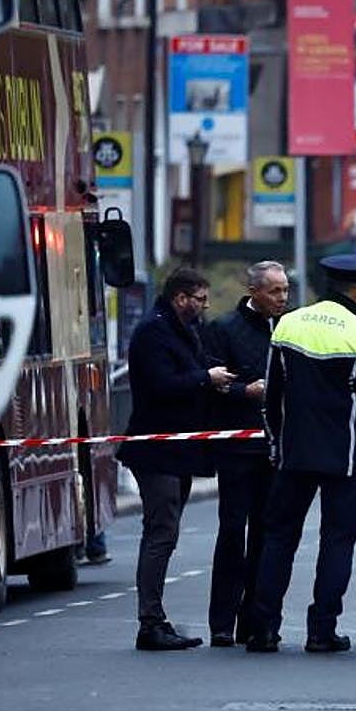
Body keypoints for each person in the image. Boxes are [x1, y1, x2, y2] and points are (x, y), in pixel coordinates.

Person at [246, 254, 356, 654]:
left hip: (294, 455)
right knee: (337, 542)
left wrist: (277, 446)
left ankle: (262, 629)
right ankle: (322, 630)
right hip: (346, 458)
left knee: (278, 539)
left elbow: (271, 397)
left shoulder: (289, 325)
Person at [119, 266, 235, 651]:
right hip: (158, 450)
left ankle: (155, 619)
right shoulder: (154, 331)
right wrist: (207, 378)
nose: (203, 307)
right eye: (199, 300)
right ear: (180, 298)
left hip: (177, 450)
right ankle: (149, 623)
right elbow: (162, 385)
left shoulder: (183, 329)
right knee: (161, 532)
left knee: (165, 533)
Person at [202, 261, 288, 647]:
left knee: (267, 537)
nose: (282, 298)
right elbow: (209, 384)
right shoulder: (223, 329)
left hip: (275, 448)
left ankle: (257, 620)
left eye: (285, 291)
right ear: (253, 291)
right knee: (233, 532)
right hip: (237, 447)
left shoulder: (286, 329)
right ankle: (221, 622)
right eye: (275, 291)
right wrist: (245, 392)